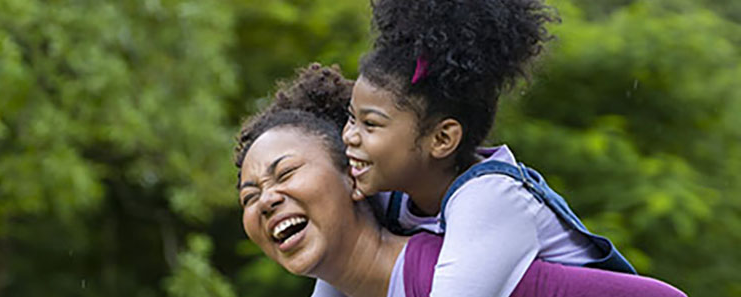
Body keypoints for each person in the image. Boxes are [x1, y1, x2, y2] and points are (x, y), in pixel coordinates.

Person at [234, 64, 685, 297]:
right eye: (248, 196)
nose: (266, 200)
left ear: (353, 179)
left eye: (286, 173)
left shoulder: (477, 215)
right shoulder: (375, 245)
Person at [318, 0, 637, 296]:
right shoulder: (386, 193)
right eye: (351, 119)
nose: (349, 136)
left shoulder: (491, 198)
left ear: (442, 140)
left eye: (370, 124)